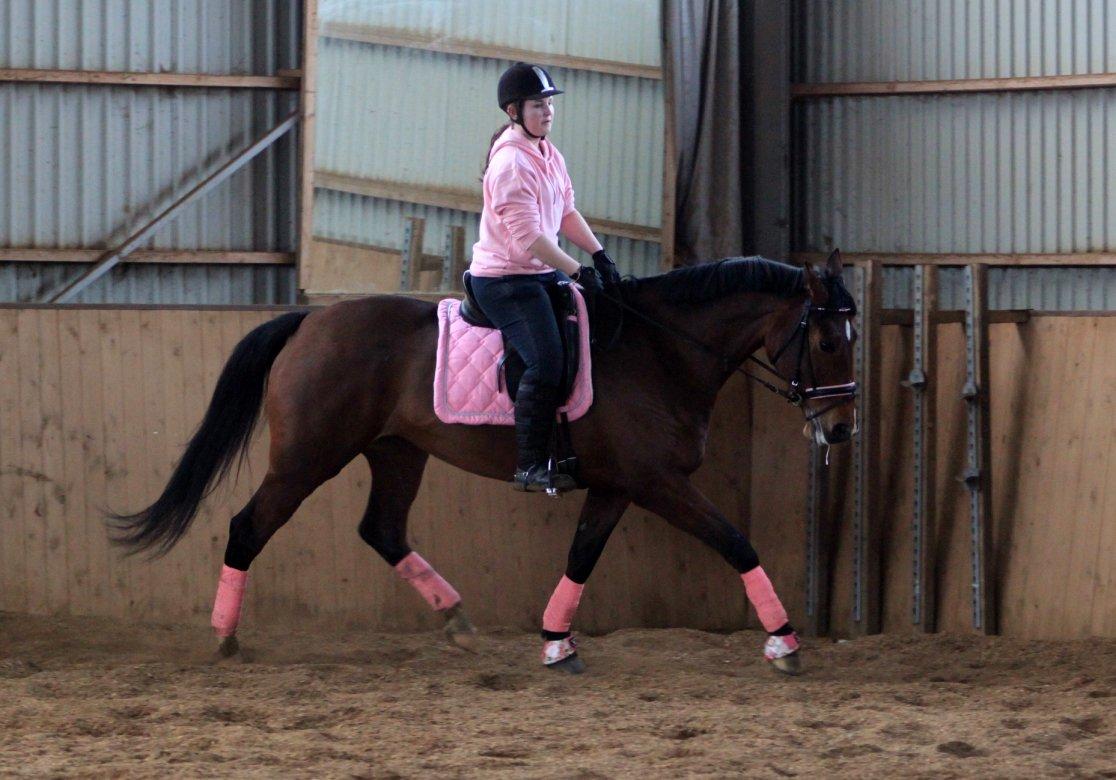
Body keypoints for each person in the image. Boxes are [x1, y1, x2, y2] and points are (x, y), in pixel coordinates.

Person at [469, 62, 621, 492]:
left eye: (550, 102)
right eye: (539, 104)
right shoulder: (511, 165)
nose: (548, 111)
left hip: (537, 273)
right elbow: (531, 237)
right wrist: (577, 271)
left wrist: (599, 254)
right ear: (514, 112)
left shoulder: (548, 153)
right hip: (505, 281)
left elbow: (566, 212)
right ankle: (530, 465)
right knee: (546, 360)